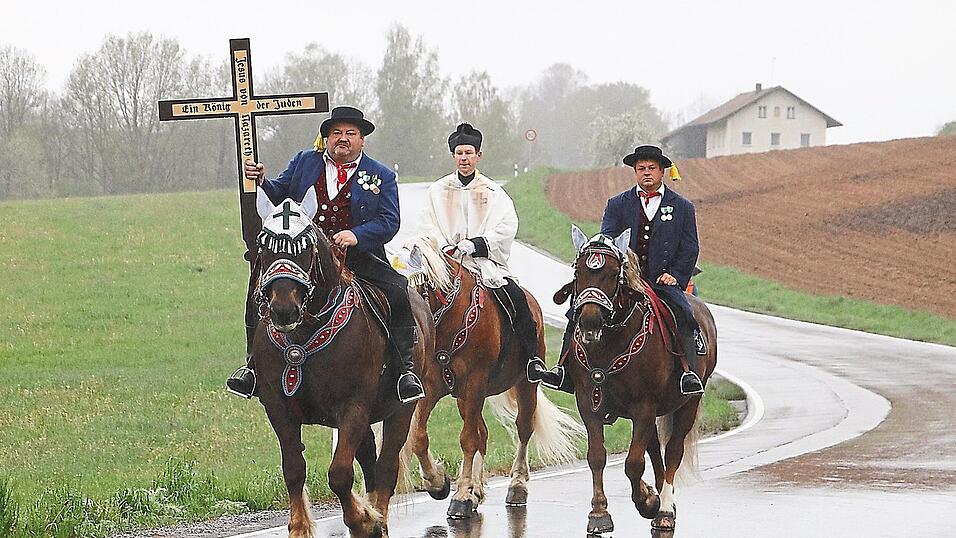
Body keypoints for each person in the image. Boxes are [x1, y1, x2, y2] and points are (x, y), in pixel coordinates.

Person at [226, 106, 426, 403]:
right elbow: (282, 194)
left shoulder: (381, 174)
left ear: (362, 140)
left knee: (398, 290)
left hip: (360, 256)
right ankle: (252, 365)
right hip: (305, 254)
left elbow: (389, 220)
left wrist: (356, 235)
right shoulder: (305, 162)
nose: (342, 139)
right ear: (327, 138)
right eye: (336, 133)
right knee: (259, 286)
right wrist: (263, 181)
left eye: (350, 133)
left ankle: (403, 371)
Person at [545, 144, 706, 395]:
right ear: (635, 172)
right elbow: (607, 238)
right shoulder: (617, 204)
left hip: (663, 280)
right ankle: (563, 370)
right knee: (579, 307)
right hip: (626, 279)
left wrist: (675, 275)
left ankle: (689, 372)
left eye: (652, 168)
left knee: (683, 312)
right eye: (641, 168)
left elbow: (690, 247)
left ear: (663, 171)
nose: (646, 173)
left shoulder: (682, 207)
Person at [414, 123, 562, 386]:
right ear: (453, 156)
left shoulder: (494, 192)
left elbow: (506, 226)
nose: (464, 158)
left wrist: (477, 244)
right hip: (443, 265)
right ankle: (407, 364)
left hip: (483, 264)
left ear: (478, 155)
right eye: (459, 153)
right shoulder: (437, 191)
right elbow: (426, 225)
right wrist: (442, 247)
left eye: (469, 153)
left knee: (517, 300)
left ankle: (531, 361)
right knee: (412, 301)